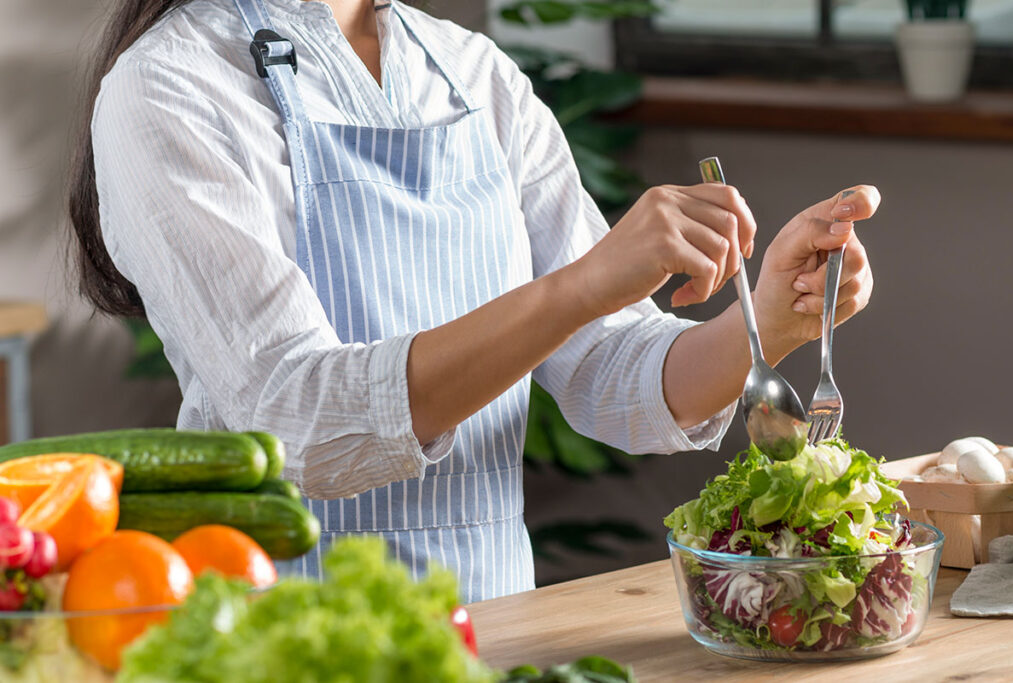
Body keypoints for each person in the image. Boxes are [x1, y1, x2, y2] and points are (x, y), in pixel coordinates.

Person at [68, 0, 879, 602]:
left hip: (489, 620)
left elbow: (611, 373)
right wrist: (583, 283)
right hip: (278, 620)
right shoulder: (169, 86)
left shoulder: (470, 73)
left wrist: (766, 318)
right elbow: (296, 421)